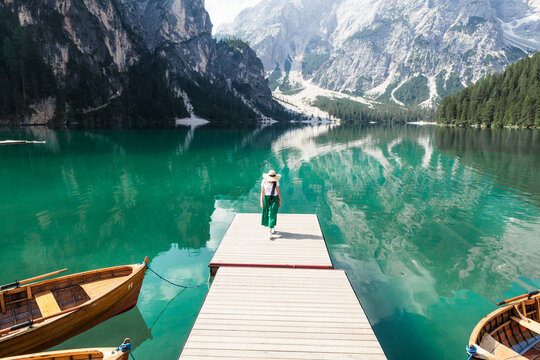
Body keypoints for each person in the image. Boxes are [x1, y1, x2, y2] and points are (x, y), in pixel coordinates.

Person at [260, 169, 281, 238]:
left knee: (272, 213)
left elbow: (278, 191)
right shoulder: (263, 181)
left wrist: (280, 200)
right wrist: (261, 201)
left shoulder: (276, 182)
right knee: (266, 212)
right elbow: (262, 192)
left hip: (275, 199)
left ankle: (270, 230)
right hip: (266, 198)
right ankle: (271, 226)